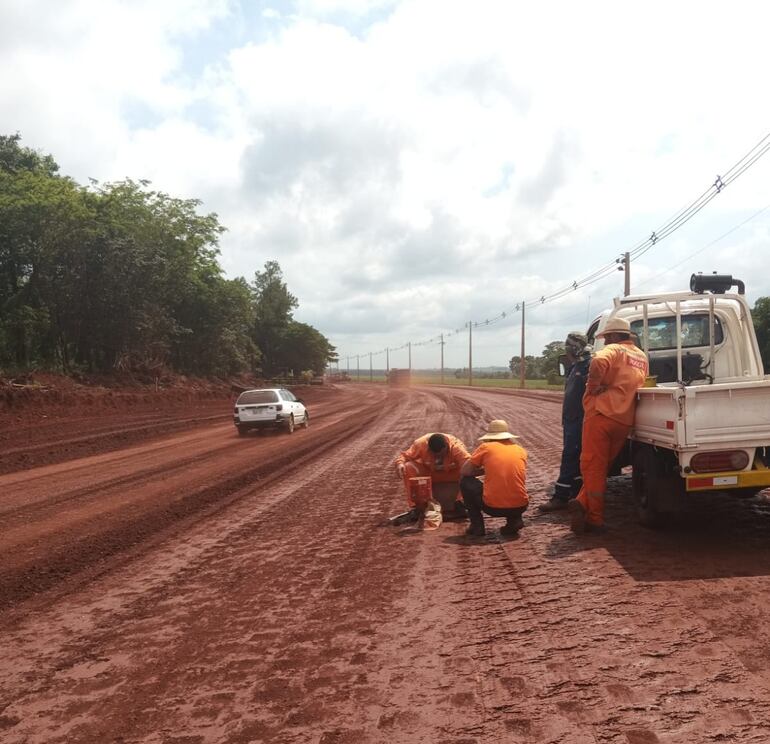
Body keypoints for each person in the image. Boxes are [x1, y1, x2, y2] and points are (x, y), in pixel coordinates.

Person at [568, 317, 648, 534]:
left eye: (606, 338)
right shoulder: (640, 356)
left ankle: (594, 518)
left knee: (592, 466)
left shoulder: (614, 350)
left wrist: (593, 386)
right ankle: (583, 501)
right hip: (624, 420)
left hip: (601, 415)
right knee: (601, 468)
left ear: (612, 336)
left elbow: (598, 362)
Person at [539, 333, 592, 512]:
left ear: (574, 349)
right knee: (574, 456)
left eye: (568, 348)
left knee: (571, 455)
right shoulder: (575, 366)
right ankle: (575, 494)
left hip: (580, 419)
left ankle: (561, 496)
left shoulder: (589, 366)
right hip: (571, 419)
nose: (566, 352)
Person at [460, 420, 528, 537]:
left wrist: (484, 470)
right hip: (521, 506)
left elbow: (465, 471)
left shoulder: (486, 447)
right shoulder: (520, 450)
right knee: (513, 482)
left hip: (493, 508)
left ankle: (477, 526)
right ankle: (514, 520)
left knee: (466, 482)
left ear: (490, 436)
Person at [393, 433, 471, 524]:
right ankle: (417, 507)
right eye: (434, 454)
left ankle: (460, 503)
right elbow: (404, 456)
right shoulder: (420, 444)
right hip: (430, 473)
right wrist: (400, 464)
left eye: (441, 454)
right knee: (408, 467)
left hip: (452, 474)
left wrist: (460, 498)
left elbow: (469, 464)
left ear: (446, 446)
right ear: (428, 448)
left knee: (467, 471)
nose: (438, 457)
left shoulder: (456, 447)